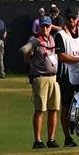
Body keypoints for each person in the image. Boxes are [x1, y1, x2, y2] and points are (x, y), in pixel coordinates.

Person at [56, 7, 79, 148]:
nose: (71, 20)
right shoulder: (60, 35)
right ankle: (67, 138)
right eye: (69, 18)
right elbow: (61, 56)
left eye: (73, 18)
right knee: (66, 106)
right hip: (66, 75)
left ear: (78, 18)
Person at [23, 14, 60, 148]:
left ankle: (51, 139)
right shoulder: (34, 39)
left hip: (54, 78)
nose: (45, 28)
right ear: (39, 27)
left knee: (53, 109)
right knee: (40, 110)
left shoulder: (53, 39)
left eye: (47, 26)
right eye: (43, 26)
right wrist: (29, 53)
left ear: (51, 27)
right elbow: (26, 57)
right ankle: (38, 140)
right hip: (40, 78)